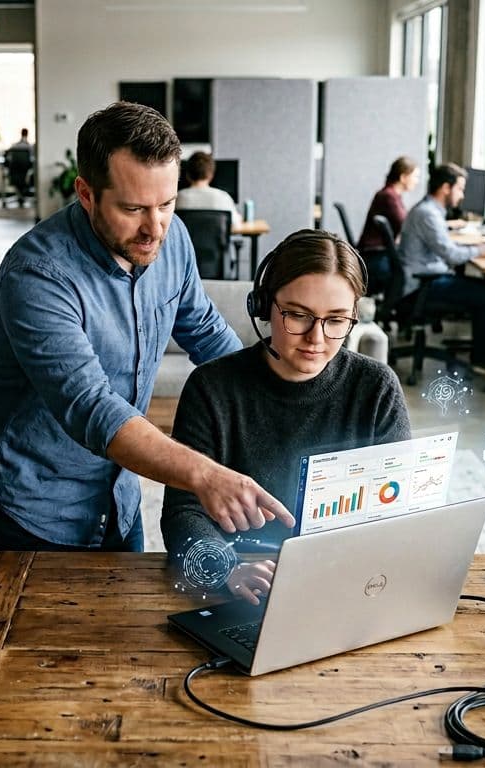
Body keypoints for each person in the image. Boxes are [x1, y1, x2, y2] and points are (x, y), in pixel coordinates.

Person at [0, 102, 294, 553]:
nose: (154, 228)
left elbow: (204, 330)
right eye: (133, 208)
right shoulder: (36, 275)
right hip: (32, 504)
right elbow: (91, 406)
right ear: (86, 194)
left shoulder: (172, 239)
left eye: (166, 204)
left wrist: (275, 403)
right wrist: (203, 474)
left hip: (117, 495)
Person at [161, 230, 411, 603]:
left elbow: (400, 511)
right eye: (298, 315)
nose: (316, 338)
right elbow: (183, 513)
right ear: (264, 306)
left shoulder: (377, 387)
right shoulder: (212, 387)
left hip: (347, 583)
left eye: (336, 320)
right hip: (242, 587)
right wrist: (226, 568)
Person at [398, 162, 485, 378]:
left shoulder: (429, 210)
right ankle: (484, 359)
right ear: (446, 188)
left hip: (424, 279)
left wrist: (478, 247)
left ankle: (484, 351)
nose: (462, 195)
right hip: (423, 285)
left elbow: (446, 247)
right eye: (460, 189)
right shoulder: (428, 214)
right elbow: (452, 255)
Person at [357, 155, 418, 252]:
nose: (416, 181)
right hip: (376, 253)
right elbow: (406, 226)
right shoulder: (389, 196)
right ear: (403, 177)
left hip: (377, 250)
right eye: (415, 177)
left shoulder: (390, 194)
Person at [175, 150, 243, 226]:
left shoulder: (177, 198)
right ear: (211, 176)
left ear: (188, 175)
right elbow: (236, 224)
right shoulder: (223, 197)